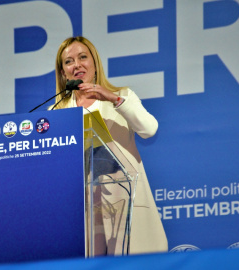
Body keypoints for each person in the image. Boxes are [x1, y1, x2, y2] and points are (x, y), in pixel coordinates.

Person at [53, 36, 168, 255]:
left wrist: (113, 99)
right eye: (68, 61)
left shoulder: (122, 97)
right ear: (62, 73)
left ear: (94, 64)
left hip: (125, 206)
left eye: (83, 57)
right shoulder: (56, 114)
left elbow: (149, 129)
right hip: (84, 216)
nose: (76, 64)